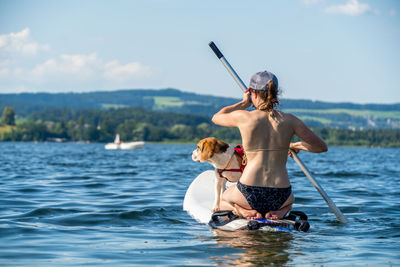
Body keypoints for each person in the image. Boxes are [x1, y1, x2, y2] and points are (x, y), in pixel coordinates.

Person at [212, 71, 328, 220]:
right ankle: (281, 211)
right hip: (280, 195)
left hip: (249, 192)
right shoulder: (291, 120)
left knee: (224, 199)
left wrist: (243, 104)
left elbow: (216, 117)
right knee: (289, 202)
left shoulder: (244, 117)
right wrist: (296, 145)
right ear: (275, 94)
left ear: (253, 93)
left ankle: (244, 211)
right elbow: (321, 147)